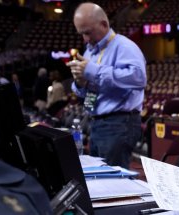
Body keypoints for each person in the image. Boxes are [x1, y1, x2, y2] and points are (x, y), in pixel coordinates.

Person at [66, 3, 146, 168]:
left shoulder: (125, 46)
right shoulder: (89, 52)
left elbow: (139, 78)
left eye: (88, 32)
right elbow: (86, 92)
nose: (85, 39)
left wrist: (93, 70)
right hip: (96, 121)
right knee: (100, 177)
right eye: (81, 34)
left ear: (104, 24)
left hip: (119, 122)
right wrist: (80, 83)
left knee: (114, 182)